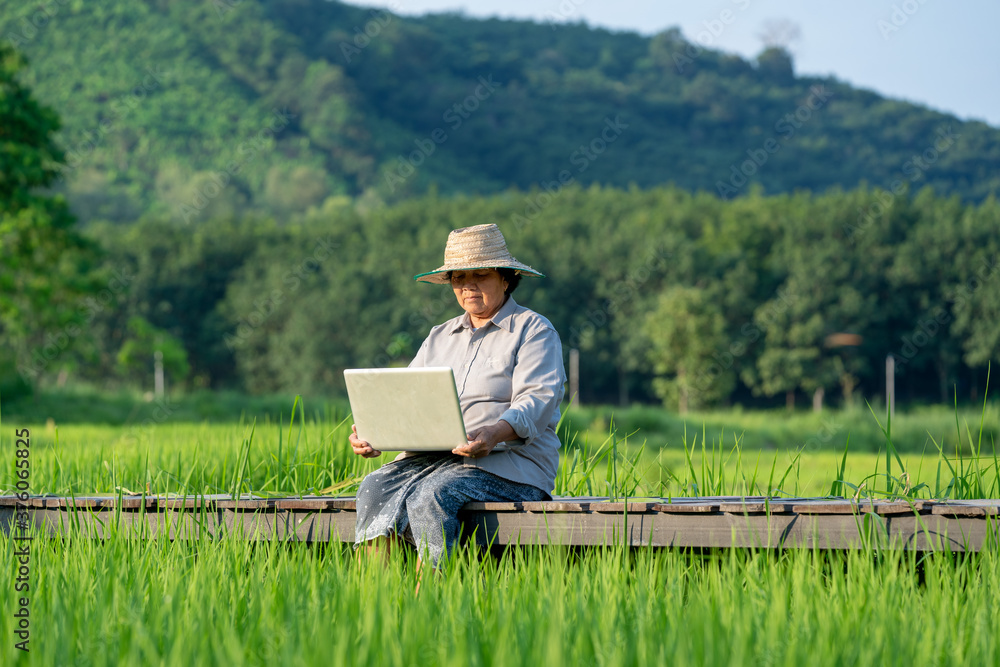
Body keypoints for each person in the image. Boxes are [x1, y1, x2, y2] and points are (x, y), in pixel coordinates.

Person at [350, 223, 566, 568]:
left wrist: (493, 434)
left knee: (432, 495)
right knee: (374, 486)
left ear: (506, 278)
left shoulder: (534, 331)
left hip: (509, 468)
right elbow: (402, 399)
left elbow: (536, 403)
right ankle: (375, 600)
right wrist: (371, 431)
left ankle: (432, 596)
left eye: (480, 274)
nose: (468, 286)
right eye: (458, 278)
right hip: (433, 462)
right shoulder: (440, 336)